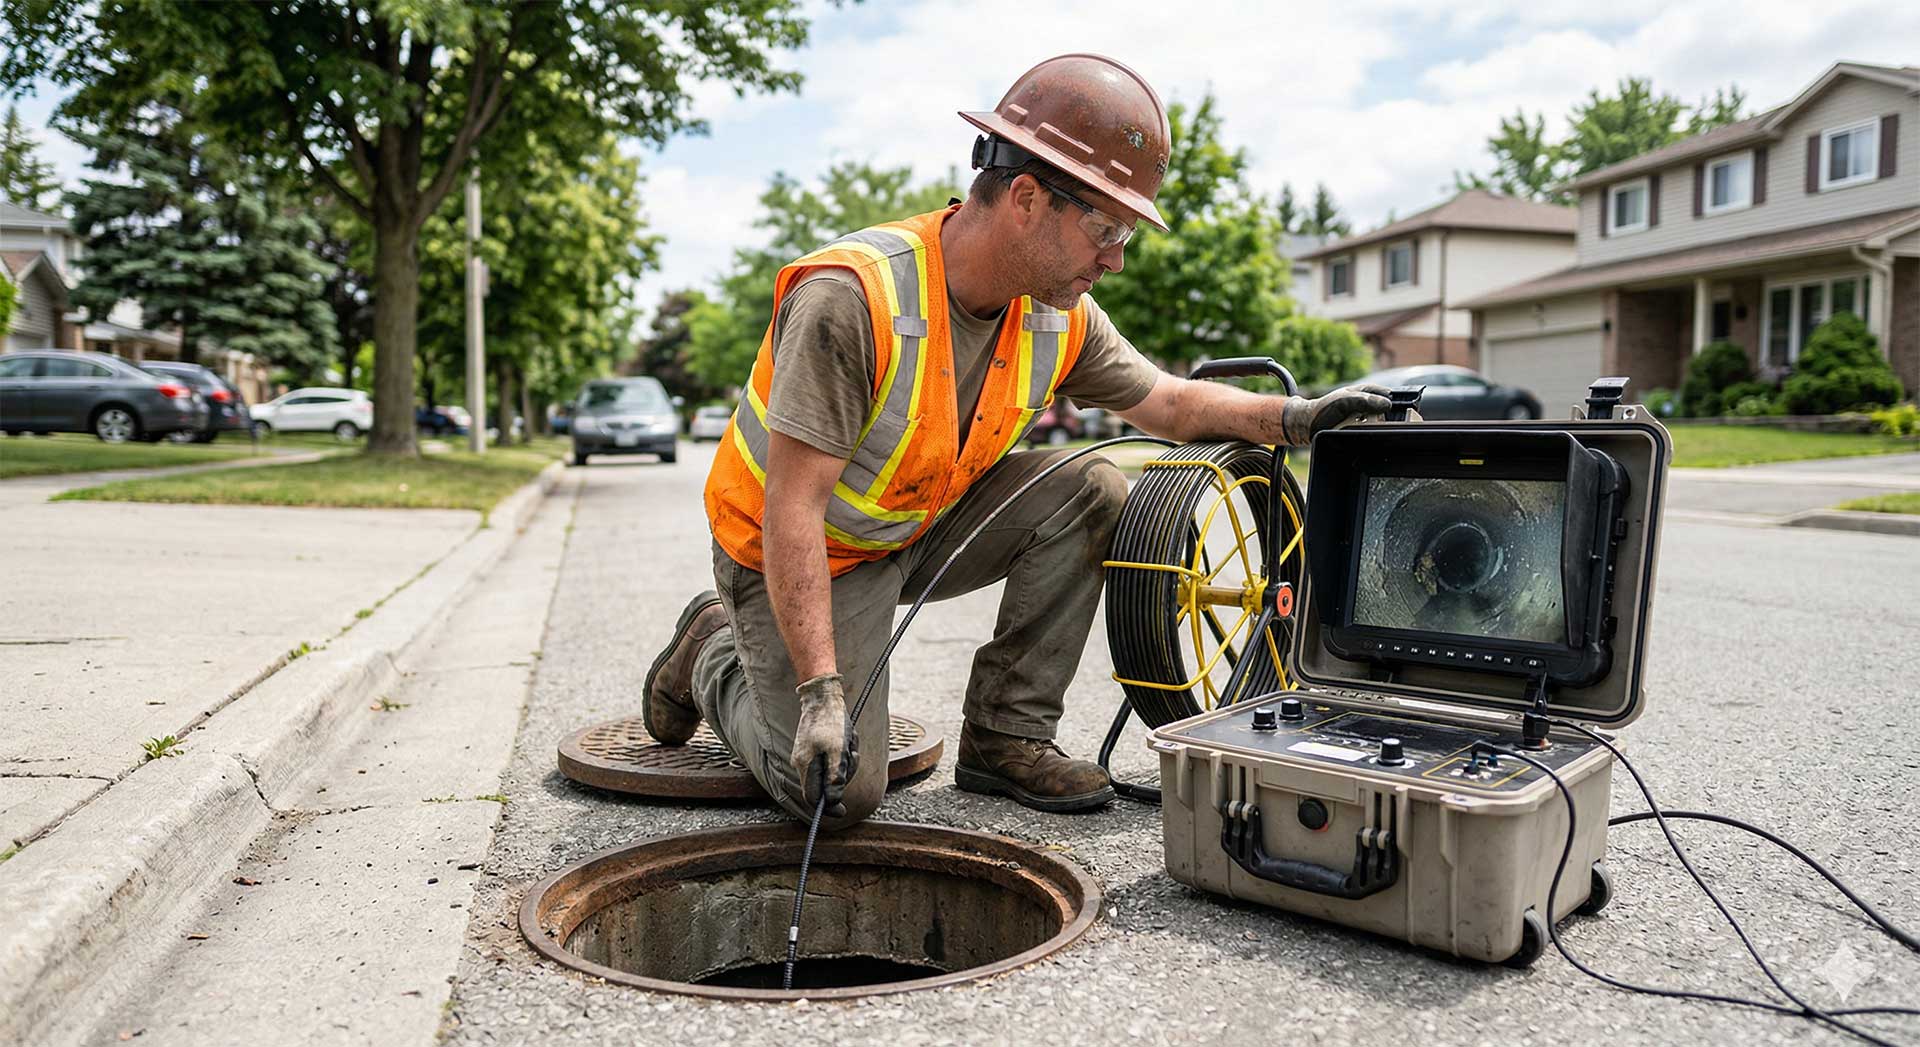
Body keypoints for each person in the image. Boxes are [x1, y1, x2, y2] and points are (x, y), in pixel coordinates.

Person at [643, 53, 1391, 829]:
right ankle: (711, 653)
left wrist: (1295, 418)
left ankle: (1006, 738)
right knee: (832, 792)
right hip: (792, 550)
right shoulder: (853, 299)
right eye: (1105, 228)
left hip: (916, 526)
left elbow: (1167, 400)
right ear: (1027, 197)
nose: (1115, 257)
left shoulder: (1055, 312)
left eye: (1125, 232)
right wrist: (821, 694)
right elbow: (793, 509)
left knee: (1094, 485)